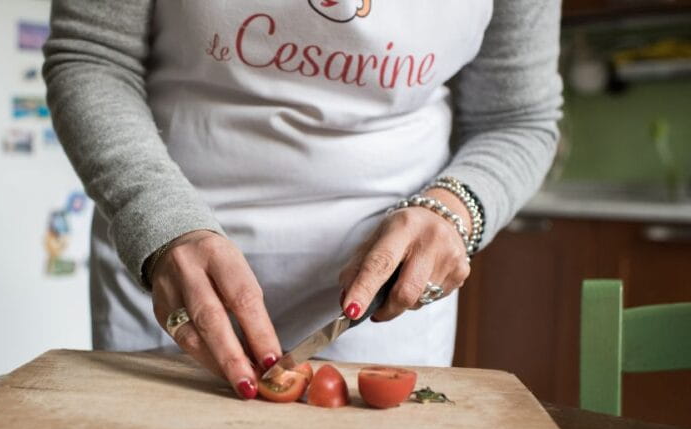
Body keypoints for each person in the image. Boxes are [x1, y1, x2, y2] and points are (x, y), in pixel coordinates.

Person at [43, 1, 562, 400]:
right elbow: (93, 55)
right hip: (172, 265)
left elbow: (517, 119)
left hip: (384, 302)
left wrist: (454, 210)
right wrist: (159, 221)